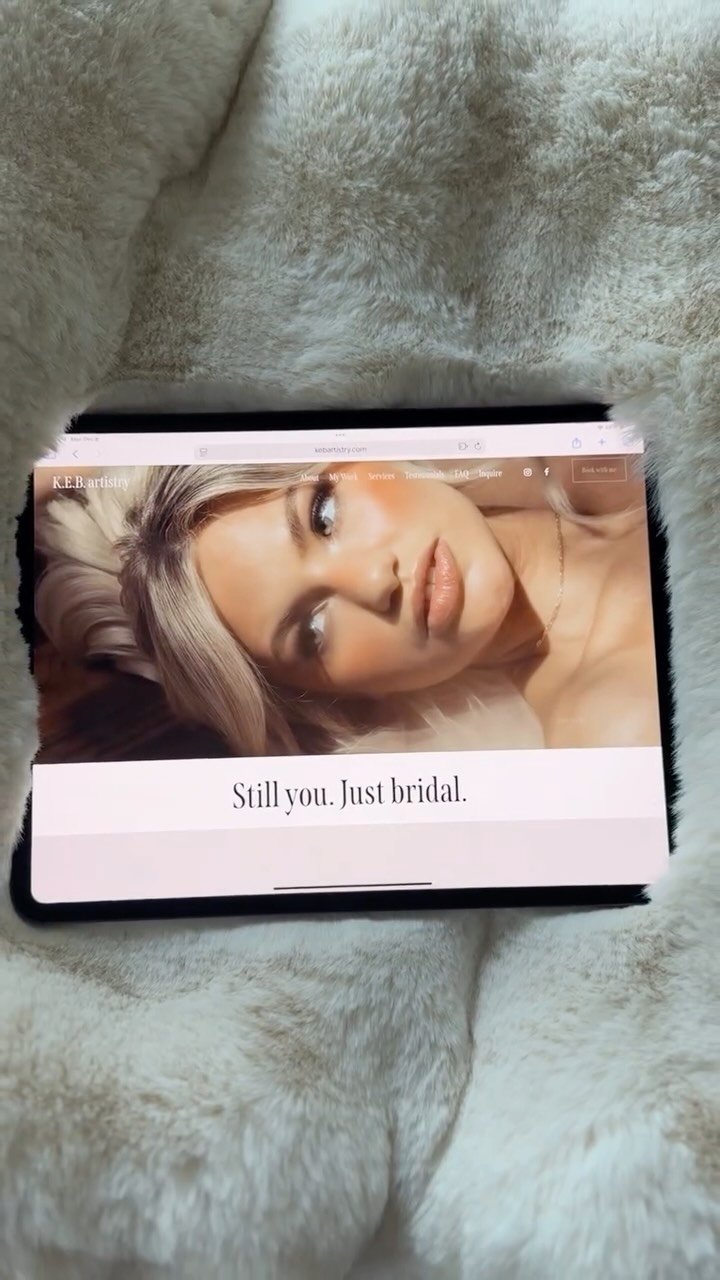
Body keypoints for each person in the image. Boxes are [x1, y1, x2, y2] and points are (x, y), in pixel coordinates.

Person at [34, 458, 660, 756]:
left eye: (324, 514)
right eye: (312, 630)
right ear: (336, 697)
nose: (373, 582)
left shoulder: (599, 447)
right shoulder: (613, 731)